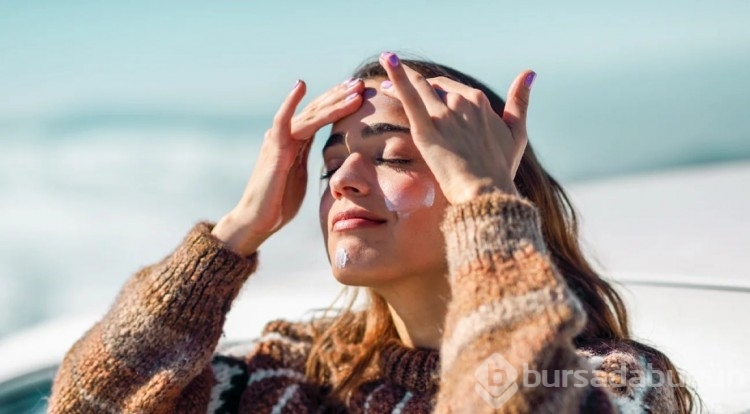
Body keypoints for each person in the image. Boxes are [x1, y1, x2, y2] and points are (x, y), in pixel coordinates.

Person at [48, 52, 696, 413]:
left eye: (394, 157)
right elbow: (85, 404)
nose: (344, 182)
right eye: (330, 164)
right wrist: (239, 228)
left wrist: (485, 200)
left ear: (492, 195)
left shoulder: (617, 384)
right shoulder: (285, 377)